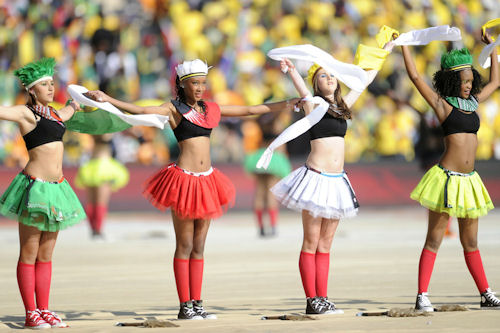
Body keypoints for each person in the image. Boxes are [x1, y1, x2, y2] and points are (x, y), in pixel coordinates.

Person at [84, 59, 300, 320]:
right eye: (194, 83)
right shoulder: (173, 109)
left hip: (207, 180)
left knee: (199, 247)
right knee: (184, 245)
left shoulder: (210, 109)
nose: (199, 88)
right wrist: (108, 99)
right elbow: (141, 110)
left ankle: (197, 302)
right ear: (183, 84)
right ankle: (184, 305)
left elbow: (250, 109)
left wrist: (288, 103)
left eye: (203, 83)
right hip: (184, 181)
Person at [260, 40, 393, 315]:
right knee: (311, 241)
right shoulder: (313, 104)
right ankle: (312, 300)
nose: (330, 78)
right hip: (316, 179)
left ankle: (323, 296)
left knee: (326, 243)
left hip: (338, 181)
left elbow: (364, 80)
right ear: (316, 83)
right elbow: (300, 87)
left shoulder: (343, 107)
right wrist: (291, 70)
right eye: (323, 75)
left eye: (332, 74)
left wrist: (384, 53)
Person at [401, 30, 500, 311]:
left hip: (470, 181)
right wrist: (404, 46)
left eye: (470, 80)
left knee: (471, 242)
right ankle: (422, 295)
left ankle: (485, 293)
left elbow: (497, 80)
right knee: (434, 239)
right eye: (463, 81)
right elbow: (416, 77)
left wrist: (493, 46)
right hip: (445, 179)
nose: (468, 85)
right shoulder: (442, 104)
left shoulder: (474, 103)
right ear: (451, 80)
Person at [0, 58, 85, 329]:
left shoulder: (56, 114)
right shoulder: (27, 114)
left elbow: (72, 110)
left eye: (51, 83)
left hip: (57, 188)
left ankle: (44, 309)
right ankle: (30, 312)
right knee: (29, 252)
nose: (51, 88)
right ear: (32, 90)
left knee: (46, 255)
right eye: (45, 85)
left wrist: (82, 101)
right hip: (34, 188)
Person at [243, 112, 291, 237]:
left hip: (259, 156)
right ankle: (273, 226)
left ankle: (261, 227)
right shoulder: (277, 122)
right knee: (270, 194)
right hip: (274, 159)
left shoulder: (260, 122)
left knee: (259, 193)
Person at [75, 133, 129, 239]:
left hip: (92, 167)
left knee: (92, 202)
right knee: (99, 202)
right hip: (103, 168)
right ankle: (97, 230)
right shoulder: (106, 131)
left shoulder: (94, 131)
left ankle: (95, 230)